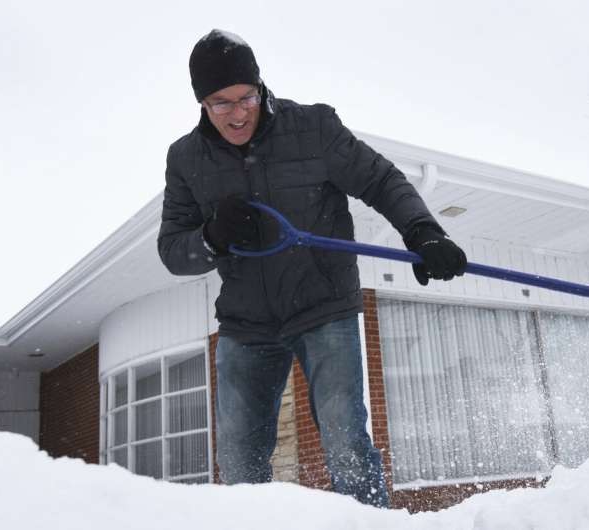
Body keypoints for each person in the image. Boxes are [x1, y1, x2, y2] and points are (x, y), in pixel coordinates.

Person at [157, 29, 466, 508]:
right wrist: (211, 236)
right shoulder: (185, 158)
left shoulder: (313, 128)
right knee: (239, 460)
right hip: (245, 323)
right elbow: (173, 250)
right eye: (221, 103)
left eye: (246, 97)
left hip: (324, 307)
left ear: (260, 87)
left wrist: (422, 231)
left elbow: (381, 180)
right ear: (201, 102)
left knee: (345, 442)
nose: (237, 113)